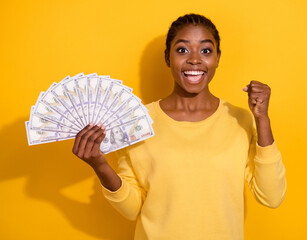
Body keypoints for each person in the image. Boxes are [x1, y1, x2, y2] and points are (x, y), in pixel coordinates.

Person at [72, 13, 287, 240]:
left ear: (218, 58)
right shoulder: (135, 122)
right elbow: (133, 208)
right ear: (167, 57)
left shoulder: (241, 120)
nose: (195, 59)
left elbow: (271, 197)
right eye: (182, 50)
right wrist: (100, 165)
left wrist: (262, 119)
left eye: (206, 51)